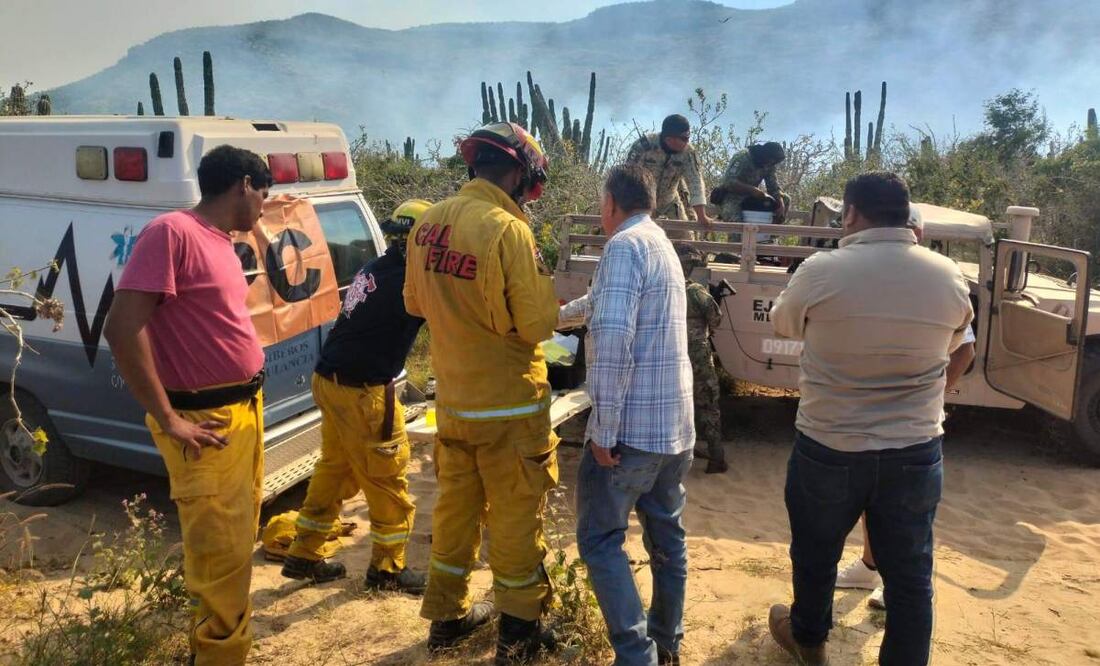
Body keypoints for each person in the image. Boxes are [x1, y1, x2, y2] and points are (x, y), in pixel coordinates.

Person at [767, 172, 973, 665]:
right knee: (911, 575)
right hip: (914, 451)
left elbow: (784, 323)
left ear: (851, 214)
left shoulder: (821, 270)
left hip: (829, 446)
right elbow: (955, 343)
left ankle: (810, 643)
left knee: (815, 554)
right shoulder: (947, 275)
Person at [103, 145, 272, 666]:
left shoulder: (223, 241)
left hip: (244, 410)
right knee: (220, 554)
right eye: (264, 195)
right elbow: (121, 328)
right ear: (244, 185)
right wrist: (169, 419)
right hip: (205, 420)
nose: (264, 207)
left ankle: (225, 651)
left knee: (238, 541)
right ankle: (219, 657)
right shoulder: (172, 232)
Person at [403, 122, 561, 664]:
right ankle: (518, 636)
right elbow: (536, 324)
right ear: (519, 173)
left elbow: (414, 303)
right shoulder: (509, 230)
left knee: (455, 512)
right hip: (510, 409)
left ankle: (446, 621)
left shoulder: (427, 223)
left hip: (453, 405)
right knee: (515, 519)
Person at [279, 199, 432, 593]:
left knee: (335, 468)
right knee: (387, 476)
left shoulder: (375, 268)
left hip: (329, 381)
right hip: (362, 392)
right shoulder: (410, 282)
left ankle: (304, 552)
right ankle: (388, 569)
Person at [576, 164, 695, 666]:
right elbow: (604, 303)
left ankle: (636, 656)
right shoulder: (660, 243)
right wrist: (554, 314)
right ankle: (666, 644)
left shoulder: (622, 247)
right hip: (674, 430)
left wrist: (602, 430)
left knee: (600, 539)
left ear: (610, 203)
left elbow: (612, 339)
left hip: (631, 435)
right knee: (667, 538)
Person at [835, 204, 977, 611]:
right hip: (866, 416)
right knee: (873, 499)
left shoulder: (936, 277)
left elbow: (965, 348)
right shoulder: (865, 272)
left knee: (907, 512)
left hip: (910, 424)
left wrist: (934, 393)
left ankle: (894, 583)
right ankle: (869, 567)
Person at [674, 242, 727, 474]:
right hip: (698, 356)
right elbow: (716, 319)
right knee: (708, 404)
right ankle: (716, 458)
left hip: (672, 356)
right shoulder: (695, 291)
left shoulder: (662, 289)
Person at [624, 114, 712, 238]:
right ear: (670, 139)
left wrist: (701, 215)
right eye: (684, 139)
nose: (687, 142)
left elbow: (695, 181)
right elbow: (626, 177)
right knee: (631, 235)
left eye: (688, 137)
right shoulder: (644, 146)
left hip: (669, 202)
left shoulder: (688, 153)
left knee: (686, 239)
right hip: (641, 202)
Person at [713, 141, 790, 224]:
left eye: (774, 162)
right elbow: (728, 182)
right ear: (765, 155)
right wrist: (753, 190)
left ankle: (770, 230)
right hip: (731, 196)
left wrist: (780, 202)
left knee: (785, 199)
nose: (771, 163)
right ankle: (737, 232)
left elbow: (773, 187)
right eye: (771, 160)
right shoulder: (743, 157)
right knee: (737, 224)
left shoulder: (770, 165)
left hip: (751, 197)